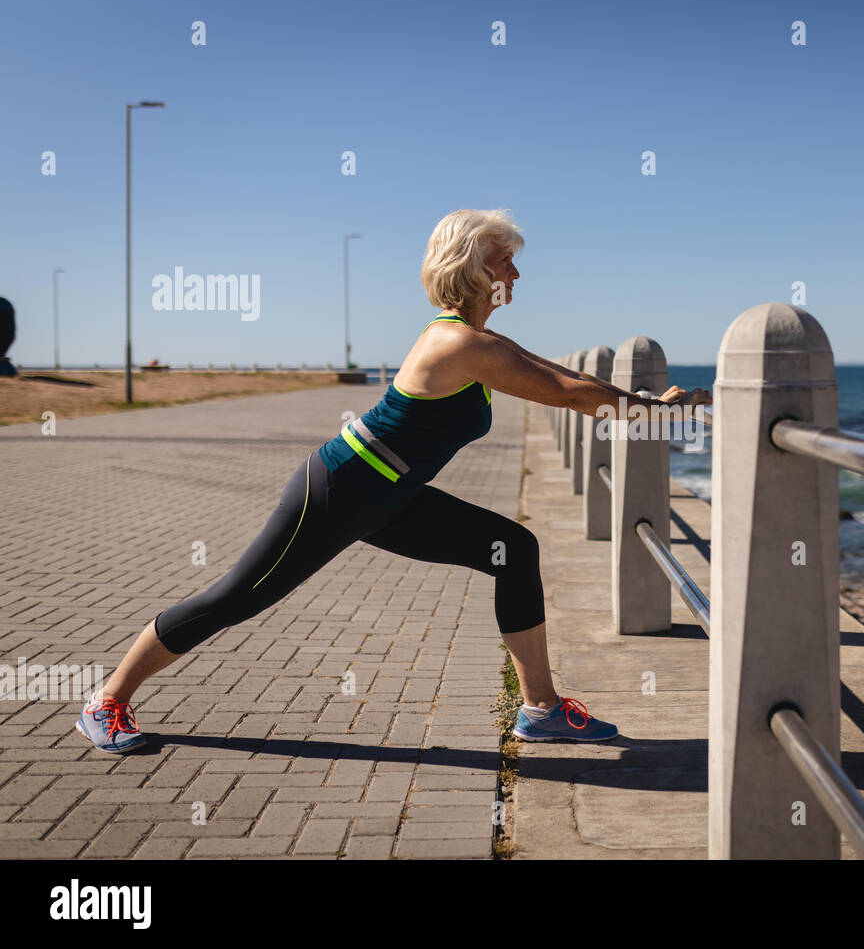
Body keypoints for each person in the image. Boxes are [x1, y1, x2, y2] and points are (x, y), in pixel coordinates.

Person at [77, 208, 710, 753]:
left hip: (391, 498)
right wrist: (662, 413)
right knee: (234, 600)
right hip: (337, 490)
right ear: (471, 266)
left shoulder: (481, 339)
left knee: (513, 551)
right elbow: (568, 392)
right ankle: (107, 701)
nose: (515, 273)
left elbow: (569, 381)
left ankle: (541, 712)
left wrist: (648, 403)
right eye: (504, 260)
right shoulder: (459, 344)